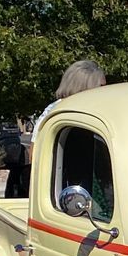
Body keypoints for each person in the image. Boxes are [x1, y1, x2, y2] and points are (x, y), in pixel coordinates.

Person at [16, 59, 107, 202]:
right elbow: (36, 156)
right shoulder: (57, 113)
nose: (105, 91)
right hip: (71, 192)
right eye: (100, 86)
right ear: (85, 86)